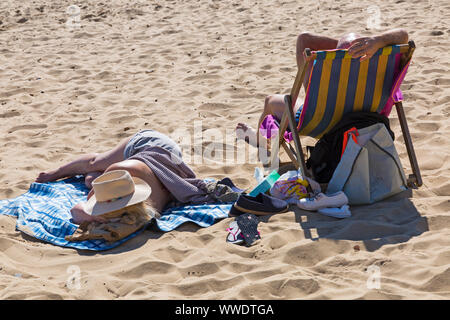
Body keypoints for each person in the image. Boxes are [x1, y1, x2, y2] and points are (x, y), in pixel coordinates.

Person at [235, 29, 409, 148]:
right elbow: (403, 35)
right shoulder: (379, 69)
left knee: (270, 101)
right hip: (369, 121)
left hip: (321, 122)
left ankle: (261, 142)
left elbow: (304, 39)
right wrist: (376, 41)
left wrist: (343, 49)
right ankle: (348, 46)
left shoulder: (330, 73)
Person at [35, 129, 196, 225]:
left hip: (151, 150)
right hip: (147, 150)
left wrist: (96, 218)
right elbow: (79, 208)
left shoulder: (148, 208)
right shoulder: (118, 172)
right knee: (94, 168)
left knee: (92, 173)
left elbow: (78, 210)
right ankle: (58, 172)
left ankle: (76, 174)